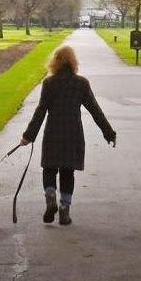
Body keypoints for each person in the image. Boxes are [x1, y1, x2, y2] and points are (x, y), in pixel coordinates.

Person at [20, 45, 116, 226]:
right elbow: (96, 111)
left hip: (53, 134)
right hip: (73, 134)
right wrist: (109, 133)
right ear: (73, 62)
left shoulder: (49, 83)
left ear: (55, 62)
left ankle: (50, 199)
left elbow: (40, 111)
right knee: (67, 172)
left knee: (49, 169)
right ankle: (64, 210)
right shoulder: (81, 83)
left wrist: (28, 136)